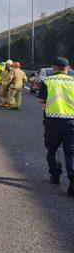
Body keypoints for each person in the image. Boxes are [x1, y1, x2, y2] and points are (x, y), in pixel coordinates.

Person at [37, 57, 74, 196]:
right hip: (72, 121)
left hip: (53, 121)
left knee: (53, 150)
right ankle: (72, 180)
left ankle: (55, 175)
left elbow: (42, 102)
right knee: (71, 152)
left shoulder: (48, 81)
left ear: (53, 68)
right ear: (68, 68)